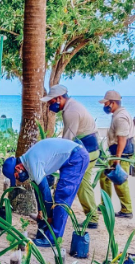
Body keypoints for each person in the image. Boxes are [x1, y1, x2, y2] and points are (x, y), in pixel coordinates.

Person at [3, 138, 89, 247]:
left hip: (76, 158)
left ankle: (53, 238)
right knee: (58, 197)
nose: (19, 179)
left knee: (62, 198)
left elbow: (45, 192)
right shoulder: (28, 162)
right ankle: (49, 230)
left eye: (16, 176)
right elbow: (38, 190)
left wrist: (48, 215)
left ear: (18, 167)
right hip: (71, 157)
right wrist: (40, 211)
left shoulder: (32, 162)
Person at [41, 84, 100, 228]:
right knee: (83, 184)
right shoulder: (72, 106)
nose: (49, 105)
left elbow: (67, 142)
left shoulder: (71, 112)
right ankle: (92, 217)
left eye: (51, 101)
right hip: (91, 149)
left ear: (59, 98)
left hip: (87, 151)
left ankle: (89, 217)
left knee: (70, 183)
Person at [98, 90, 135, 219]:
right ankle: (105, 203)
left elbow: (122, 139)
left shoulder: (120, 117)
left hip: (121, 152)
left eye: (106, 103)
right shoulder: (118, 114)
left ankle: (127, 209)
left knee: (120, 180)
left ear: (113, 103)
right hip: (116, 151)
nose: (105, 106)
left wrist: (118, 159)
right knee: (105, 177)